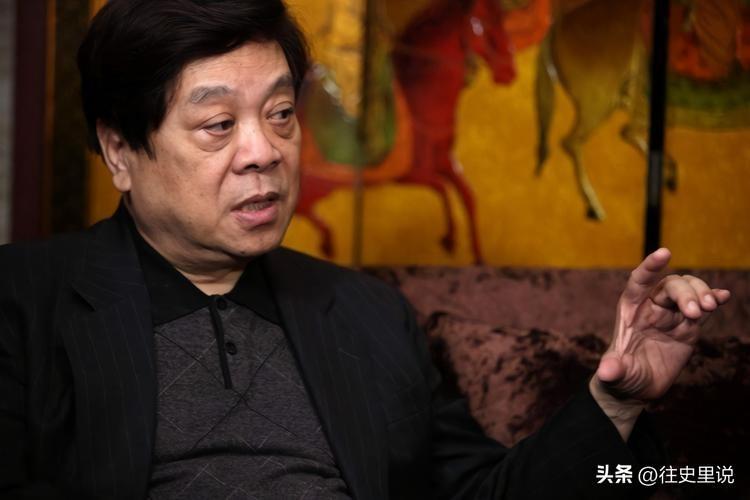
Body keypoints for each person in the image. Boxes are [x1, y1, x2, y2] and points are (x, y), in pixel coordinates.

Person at [0, 0, 731, 499]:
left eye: (281, 114)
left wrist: (613, 404)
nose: (265, 151)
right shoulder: (24, 302)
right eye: (218, 125)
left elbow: (482, 492)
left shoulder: (368, 315)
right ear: (120, 151)